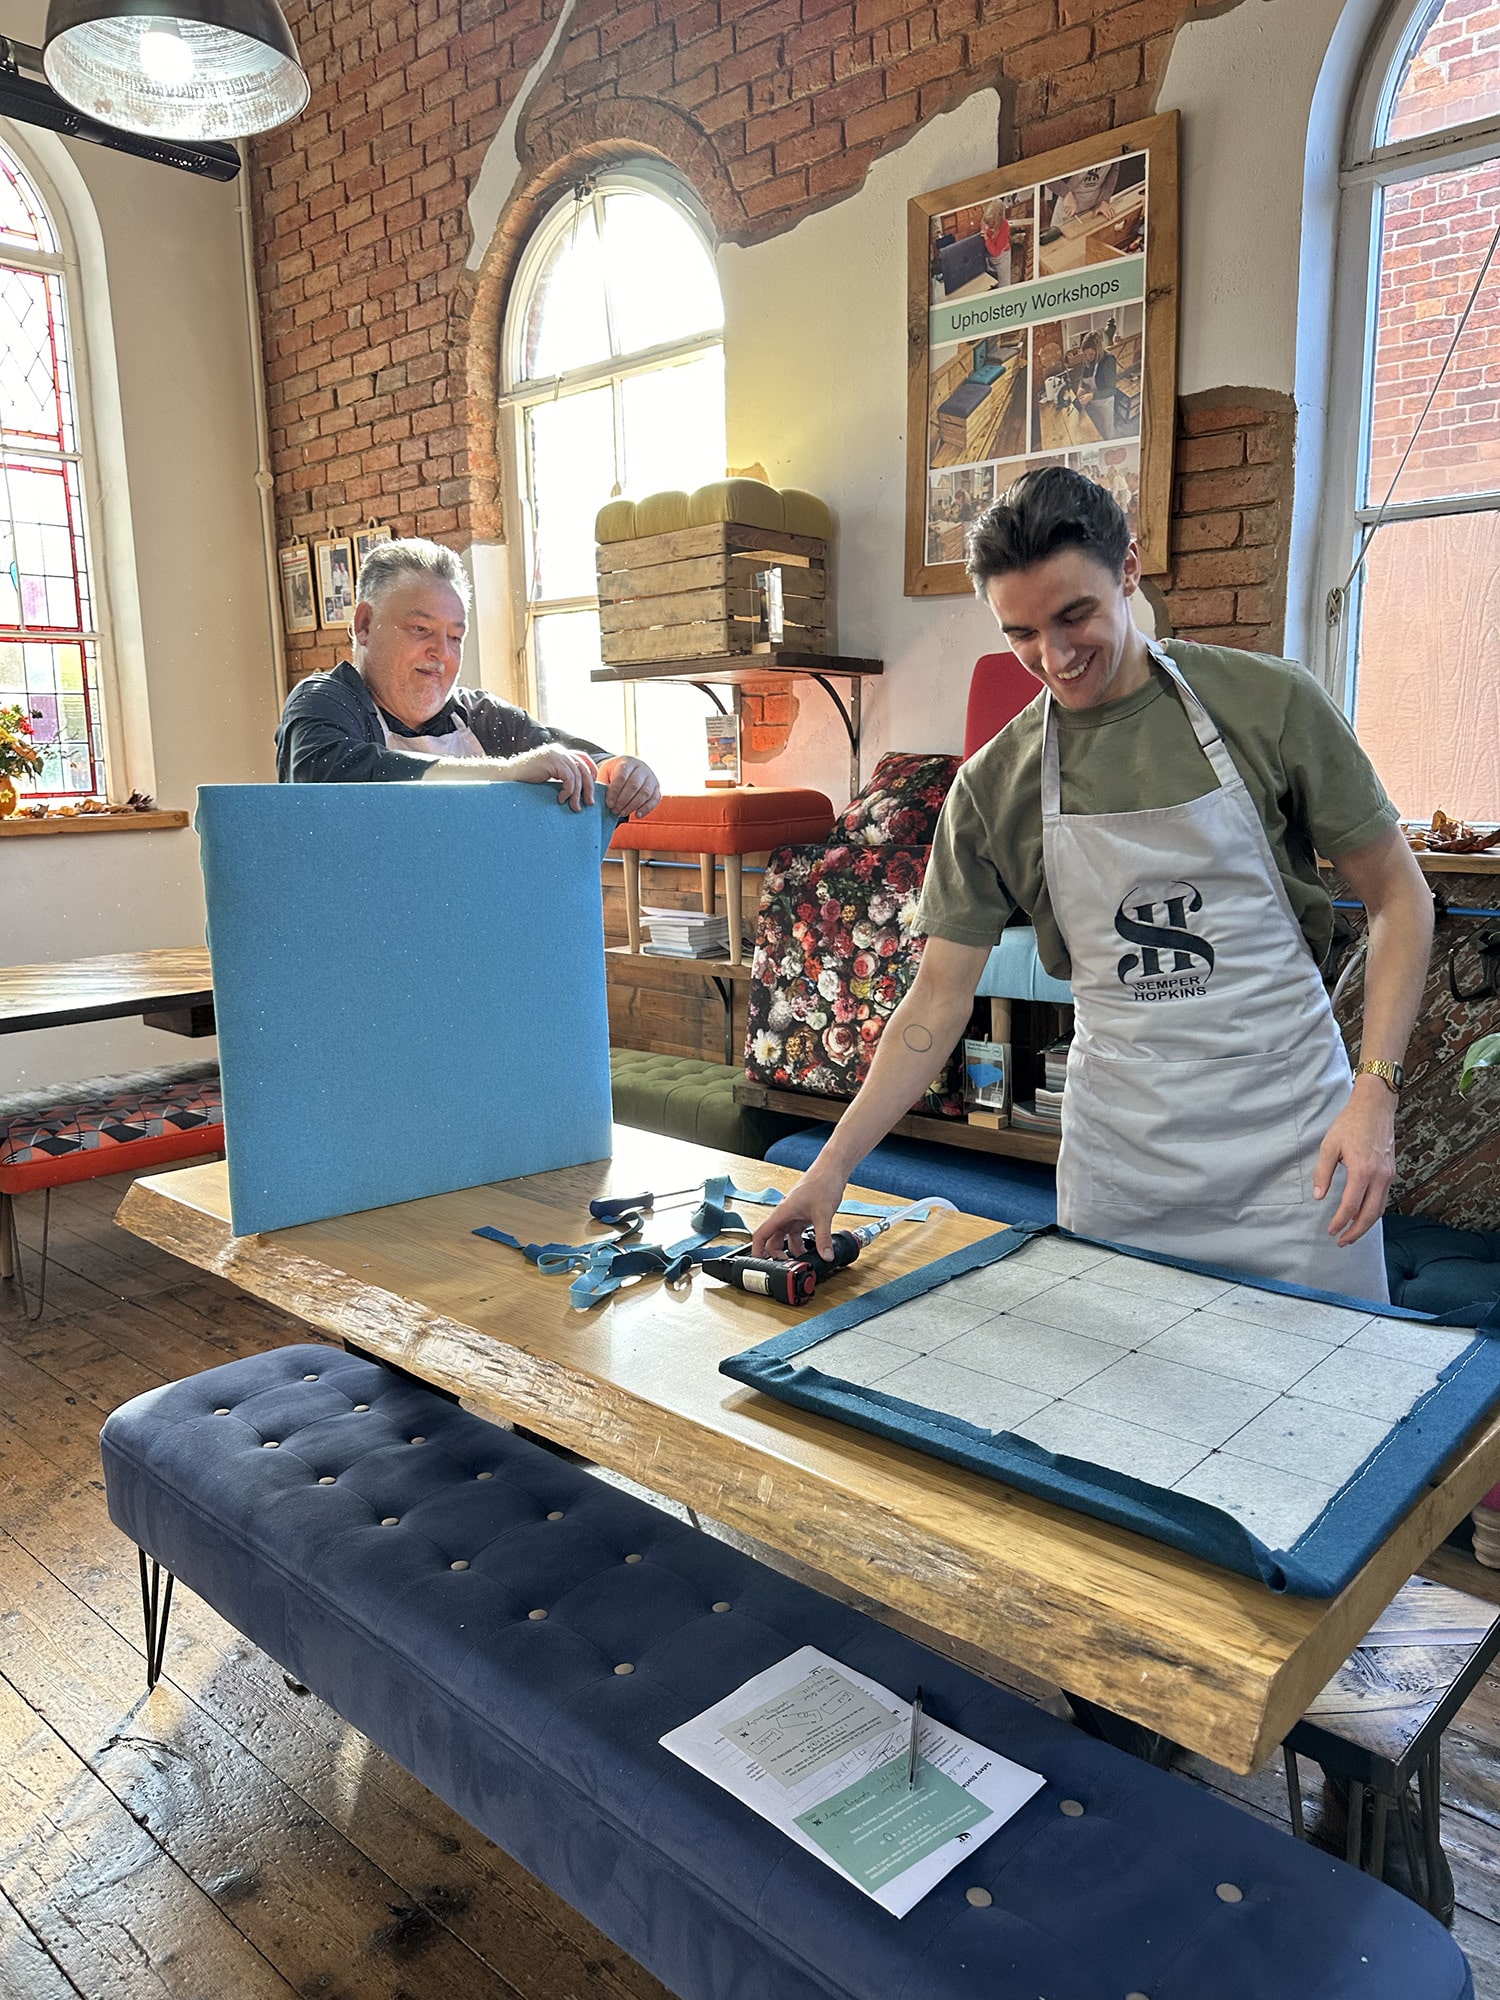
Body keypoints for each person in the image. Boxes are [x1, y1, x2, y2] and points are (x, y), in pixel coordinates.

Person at [754, 466, 1433, 1304]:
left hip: (1296, 1148)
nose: (1055, 656)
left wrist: (1376, 1096)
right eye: (1021, 634)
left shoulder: (1270, 705)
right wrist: (830, 1170)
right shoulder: (993, 787)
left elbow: (1402, 900)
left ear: (1130, 571)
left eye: (1075, 615)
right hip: (1125, 1164)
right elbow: (934, 1002)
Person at [275, 537, 661, 819]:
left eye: (455, 637)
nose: (441, 653)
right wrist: (508, 772)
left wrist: (620, 770)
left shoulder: (480, 716)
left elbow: (563, 753)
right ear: (364, 625)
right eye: (420, 630)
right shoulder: (323, 701)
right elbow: (332, 775)